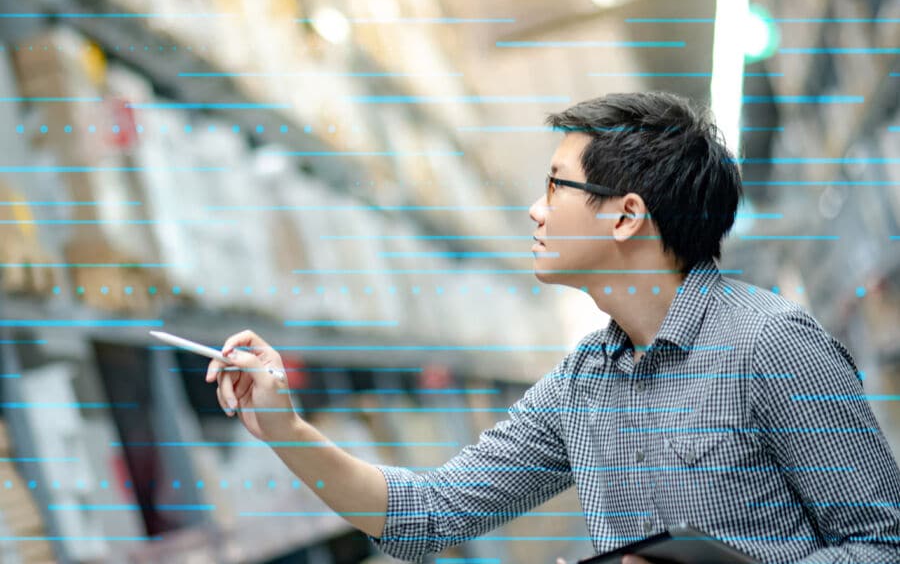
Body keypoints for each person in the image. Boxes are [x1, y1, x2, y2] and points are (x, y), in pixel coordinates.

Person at [206, 91, 900, 564]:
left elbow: (882, 543)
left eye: (555, 187)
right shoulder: (583, 385)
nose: (535, 213)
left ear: (626, 215)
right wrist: (288, 431)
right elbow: (429, 516)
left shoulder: (771, 347)